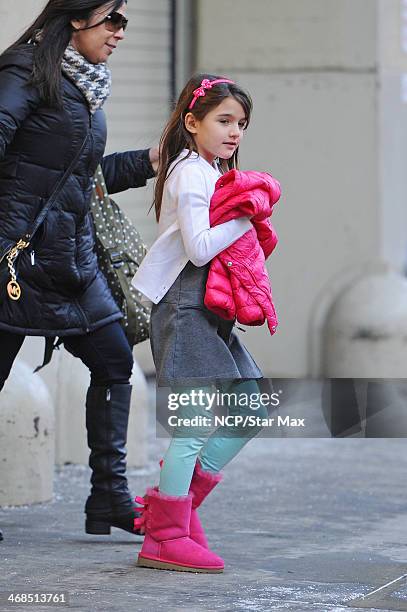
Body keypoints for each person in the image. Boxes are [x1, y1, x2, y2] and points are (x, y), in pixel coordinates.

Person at [0, 0, 159, 539]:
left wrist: (150, 164)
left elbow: (80, 181)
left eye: (124, 22)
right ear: (75, 16)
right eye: (112, 19)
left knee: (115, 364)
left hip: (71, 260)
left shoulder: (86, 88)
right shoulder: (26, 72)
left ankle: (109, 497)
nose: (120, 32)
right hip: (16, 256)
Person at [132, 74, 280, 572]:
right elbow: (198, 248)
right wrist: (247, 218)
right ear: (192, 122)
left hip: (210, 311)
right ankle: (165, 537)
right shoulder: (191, 172)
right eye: (224, 120)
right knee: (193, 428)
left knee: (252, 406)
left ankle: (176, 506)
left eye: (241, 123)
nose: (235, 131)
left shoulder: (213, 171)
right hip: (184, 307)